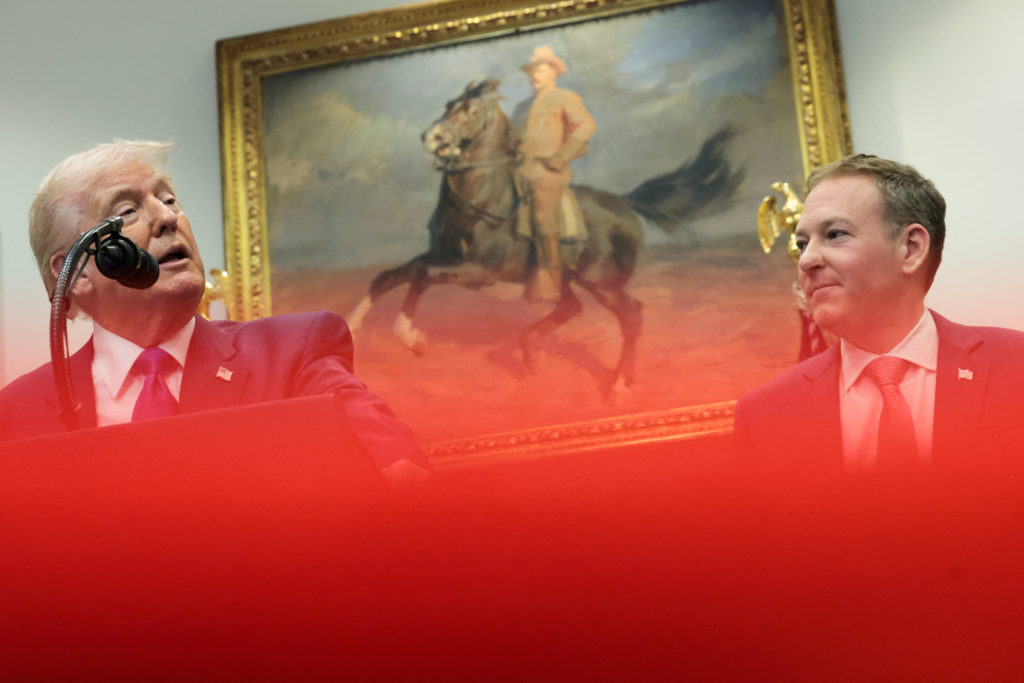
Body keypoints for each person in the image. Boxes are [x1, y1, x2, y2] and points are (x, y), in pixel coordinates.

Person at [0, 140, 428, 482]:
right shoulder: (17, 415)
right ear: (74, 272)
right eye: (126, 211)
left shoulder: (293, 353)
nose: (166, 217)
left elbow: (394, 462)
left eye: (168, 199)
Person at [733, 154, 1024, 468]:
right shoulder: (766, 415)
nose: (806, 261)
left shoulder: (1015, 369)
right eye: (802, 243)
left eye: (834, 235)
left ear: (911, 249)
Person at [511, 46, 597, 301]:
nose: (534, 75)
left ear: (554, 71)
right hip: (519, 169)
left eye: (541, 68)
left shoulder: (565, 97)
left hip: (548, 171)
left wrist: (561, 156)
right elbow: (514, 139)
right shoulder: (521, 106)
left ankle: (551, 276)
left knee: (541, 214)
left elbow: (586, 126)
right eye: (532, 70)